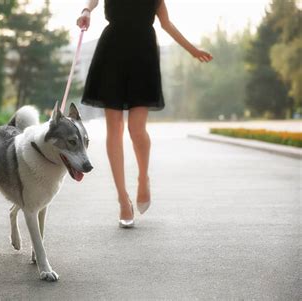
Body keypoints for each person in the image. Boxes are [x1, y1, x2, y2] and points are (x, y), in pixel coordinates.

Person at [77, 0, 213, 228]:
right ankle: (122, 199)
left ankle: (143, 178)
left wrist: (193, 50)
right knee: (115, 128)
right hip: (112, 53)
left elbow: (167, 24)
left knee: (136, 129)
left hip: (143, 55)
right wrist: (86, 11)